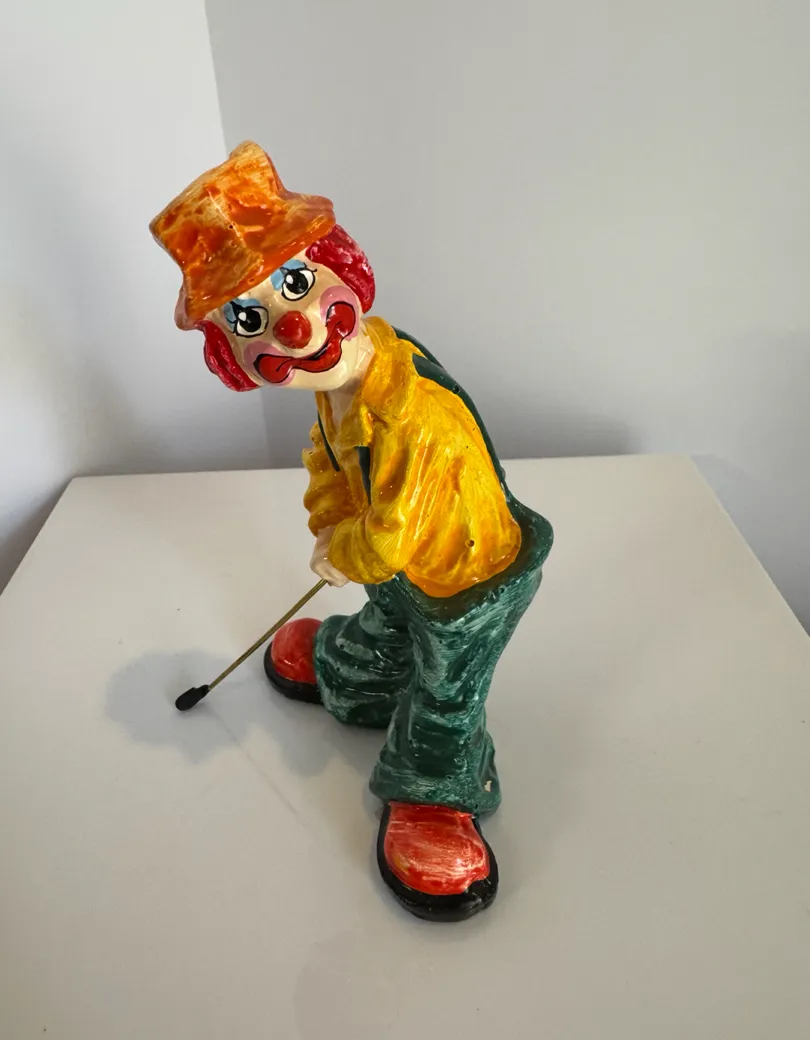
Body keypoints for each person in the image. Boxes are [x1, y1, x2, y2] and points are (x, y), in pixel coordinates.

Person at [151, 141, 553, 921]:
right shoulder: (351, 376)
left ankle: (437, 796)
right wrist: (332, 521)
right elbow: (332, 458)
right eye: (251, 318)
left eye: (297, 282)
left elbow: (391, 537)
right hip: (405, 573)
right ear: (234, 357)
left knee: (445, 694)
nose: (296, 325)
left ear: (342, 267)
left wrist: (346, 549)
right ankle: (361, 674)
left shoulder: (411, 416)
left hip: (471, 585)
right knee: (386, 623)